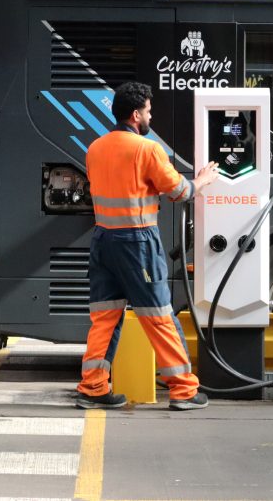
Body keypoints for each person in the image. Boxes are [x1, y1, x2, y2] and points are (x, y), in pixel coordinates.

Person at [76, 81, 219, 411]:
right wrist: (203, 180)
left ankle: (93, 387)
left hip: (103, 240)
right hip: (137, 241)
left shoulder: (95, 147)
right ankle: (183, 389)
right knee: (158, 314)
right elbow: (179, 192)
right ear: (136, 114)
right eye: (150, 110)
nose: (151, 116)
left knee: (104, 317)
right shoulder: (147, 149)